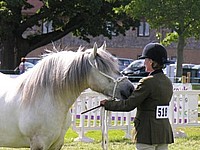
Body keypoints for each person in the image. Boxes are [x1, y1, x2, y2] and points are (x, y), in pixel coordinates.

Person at [100, 43, 174, 150]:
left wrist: (108, 104)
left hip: (147, 132)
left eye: (146, 60)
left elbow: (129, 105)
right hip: (163, 131)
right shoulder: (167, 81)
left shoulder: (147, 82)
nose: (144, 63)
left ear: (152, 62)